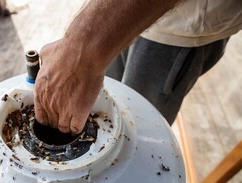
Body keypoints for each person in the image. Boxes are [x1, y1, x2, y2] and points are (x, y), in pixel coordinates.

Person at [34, 0, 242, 135]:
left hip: (177, 31)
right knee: (103, 105)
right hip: (108, 12)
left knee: (137, 133)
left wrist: (80, 52)